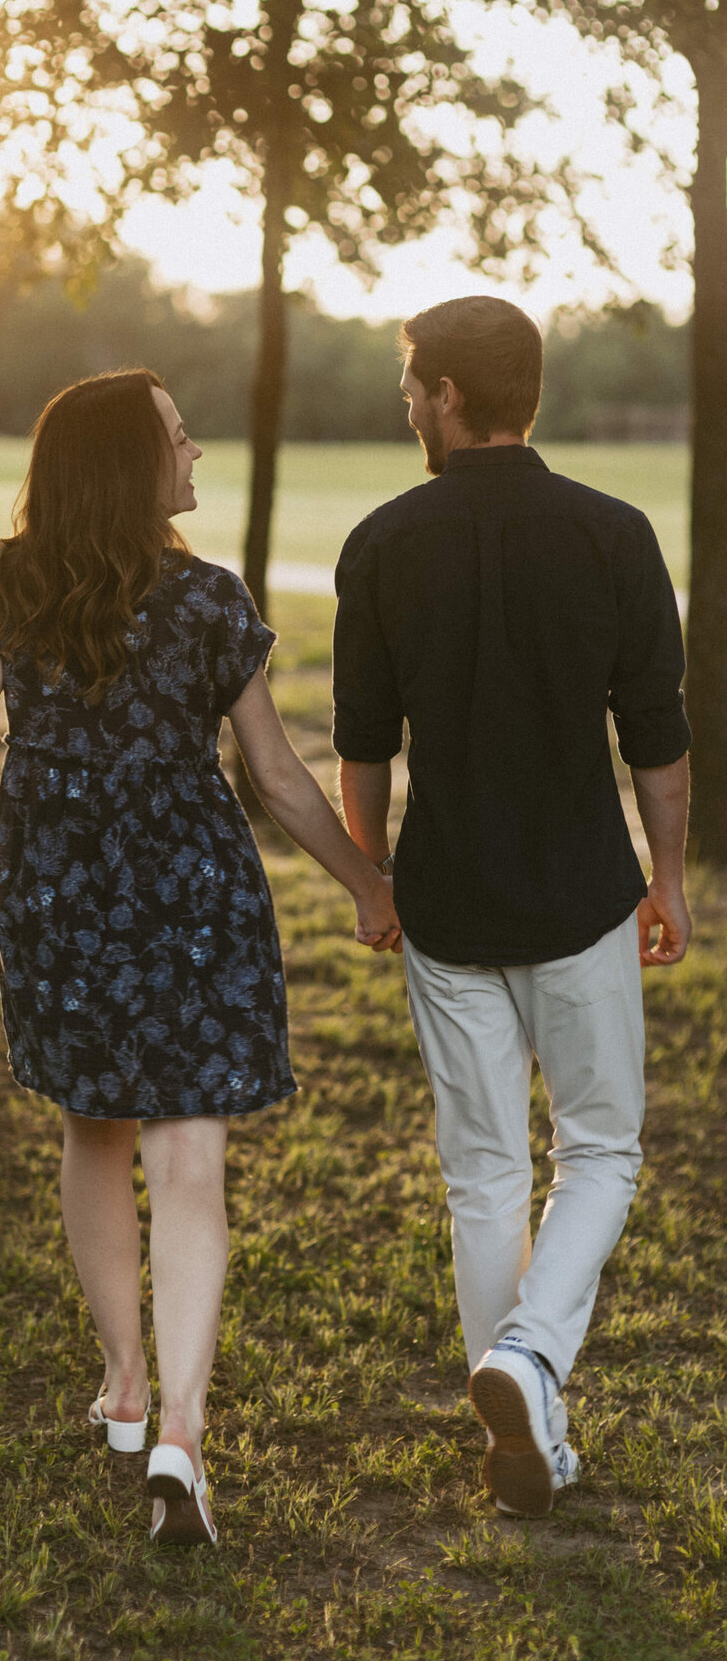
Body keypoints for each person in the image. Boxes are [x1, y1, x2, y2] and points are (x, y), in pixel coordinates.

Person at [0, 368, 400, 1546]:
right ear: (132, 465)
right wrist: (369, 885)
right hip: (194, 893)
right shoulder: (211, 602)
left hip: (62, 893)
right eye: (179, 441)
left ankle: (128, 1389)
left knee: (95, 1129)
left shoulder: (12, 588)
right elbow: (277, 778)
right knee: (192, 1157)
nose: (196, 459)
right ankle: (182, 1429)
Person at [330, 295, 692, 1518]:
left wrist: (373, 878)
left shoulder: (381, 542)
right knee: (599, 1151)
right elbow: (659, 741)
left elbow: (363, 749)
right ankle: (531, 1370)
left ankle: (525, 1404)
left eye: (410, 388)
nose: (407, 407)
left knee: (481, 1176)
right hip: (586, 894)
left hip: (445, 902)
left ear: (445, 398)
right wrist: (672, 879)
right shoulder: (615, 534)